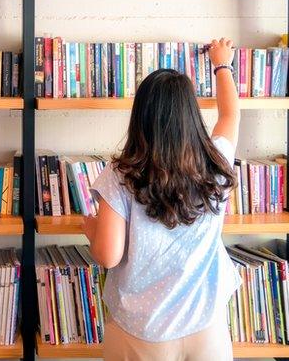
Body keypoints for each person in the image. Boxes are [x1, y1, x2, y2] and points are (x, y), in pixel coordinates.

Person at [82, 37, 241, 361]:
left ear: (140, 117)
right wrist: (221, 65)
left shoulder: (122, 174)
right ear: (191, 115)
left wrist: (91, 229)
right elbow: (230, 115)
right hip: (206, 327)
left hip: (142, 330)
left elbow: (108, 256)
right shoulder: (216, 163)